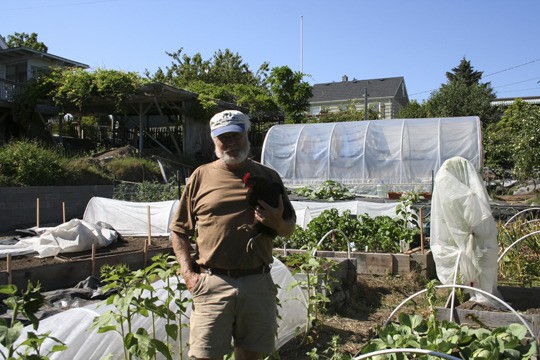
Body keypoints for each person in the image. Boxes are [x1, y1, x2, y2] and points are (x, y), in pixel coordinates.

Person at [169, 110, 296, 360]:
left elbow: (288, 229)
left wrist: (275, 222)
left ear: (246, 135)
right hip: (212, 282)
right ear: (213, 140)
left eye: (235, 135)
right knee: (204, 355)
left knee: (251, 356)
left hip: (257, 282)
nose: (230, 142)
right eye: (222, 137)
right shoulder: (200, 176)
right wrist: (188, 274)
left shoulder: (269, 177)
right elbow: (178, 230)